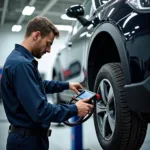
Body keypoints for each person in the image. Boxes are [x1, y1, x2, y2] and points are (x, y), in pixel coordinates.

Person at [0, 16, 93, 150]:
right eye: (48, 43)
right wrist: (75, 109)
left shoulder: (19, 61)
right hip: (27, 143)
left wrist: (66, 85)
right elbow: (40, 111)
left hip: (29, 139)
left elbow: (39, 85)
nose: (49, 50)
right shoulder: (22, 65)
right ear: (37, 35)